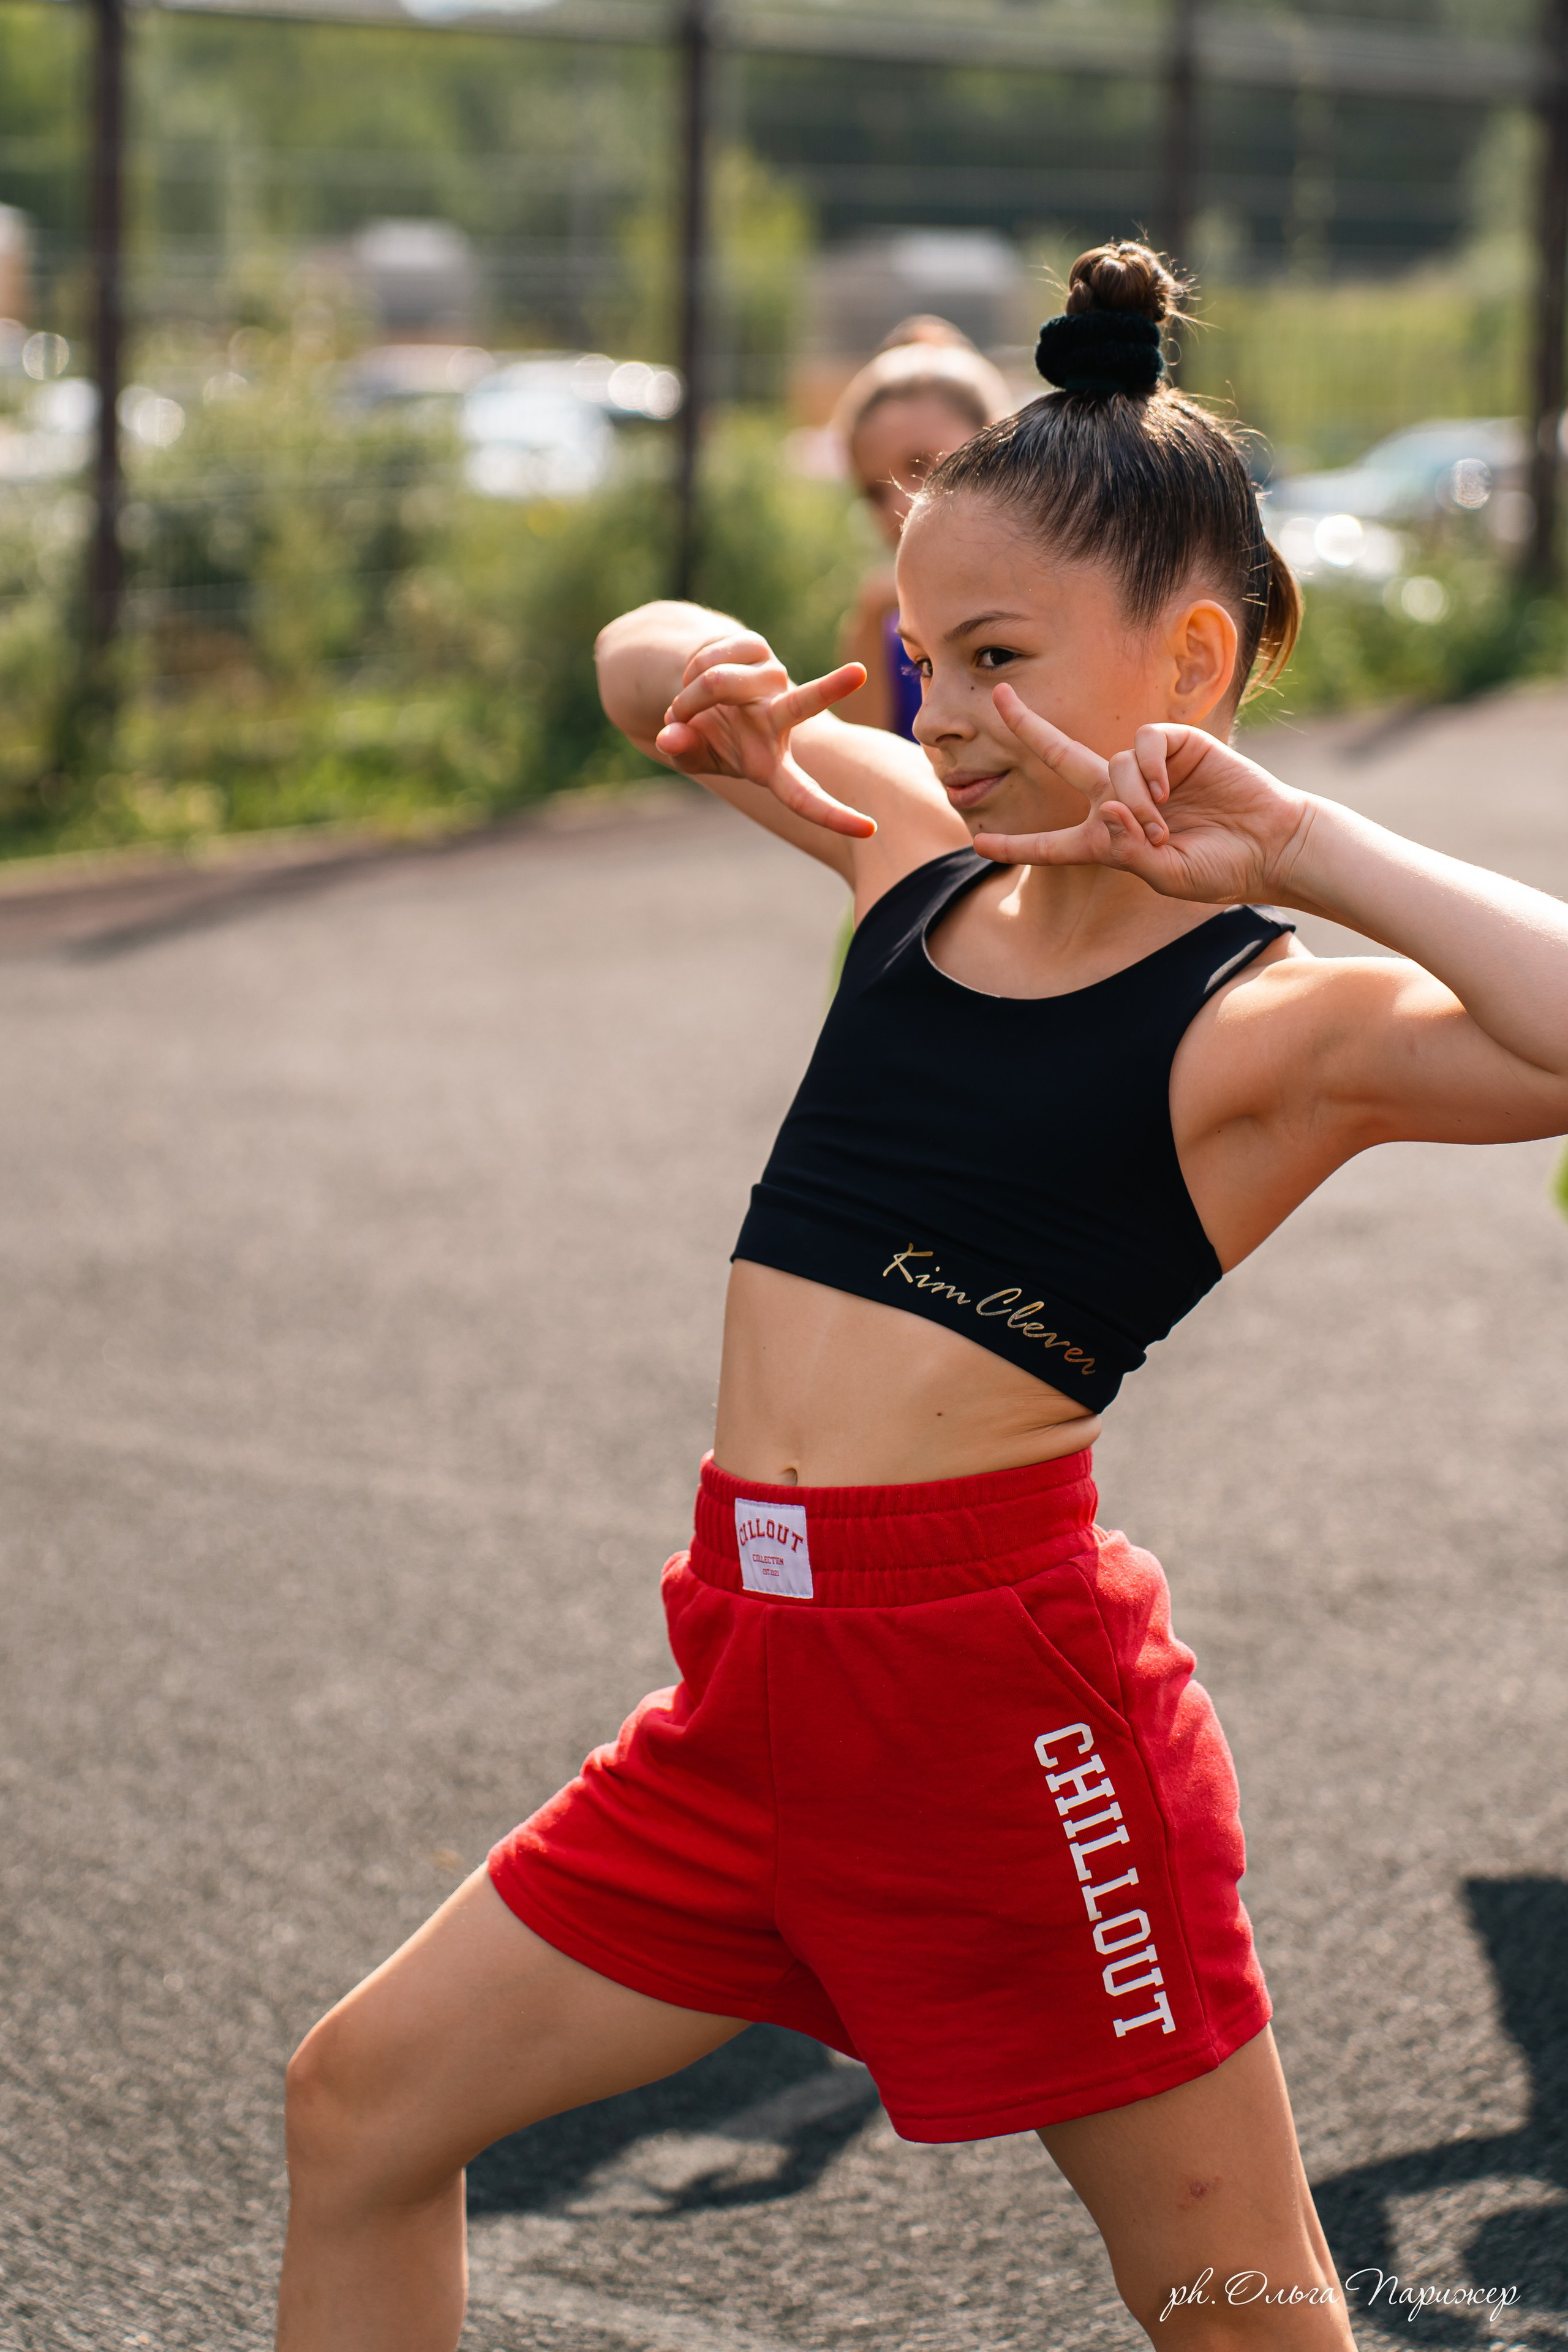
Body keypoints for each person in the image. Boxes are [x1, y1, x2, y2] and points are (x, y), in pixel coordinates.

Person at [275, 241, 1568, 2352]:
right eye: (918, 654)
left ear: (1195, 657)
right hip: (749, 1675)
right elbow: (631, 655)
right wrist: (707, 664)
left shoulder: (1266, 1028)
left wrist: (1306, 846)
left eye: (996, 659)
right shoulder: (910, 854)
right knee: (359, 2107)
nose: (939, 713)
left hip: (1000, 1719)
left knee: (1241, 2308)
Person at [829, 316, 1011, 736]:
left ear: (998, 445)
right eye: (874, 493)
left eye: (920, 465)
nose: (898, 503)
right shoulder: (881, 623)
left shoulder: (1069, 587)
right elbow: (863, 764)